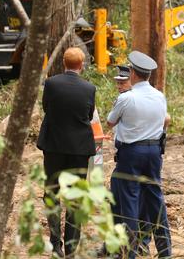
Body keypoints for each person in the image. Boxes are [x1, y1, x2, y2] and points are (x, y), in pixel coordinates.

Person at [107, 51, 172, 259]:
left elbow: (110, 121)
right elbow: (164, 120)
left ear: (133, 73)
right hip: (154, 152)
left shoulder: (127, 98)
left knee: (129, 200)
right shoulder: (160, 96)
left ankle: (129, 252)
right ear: (149, 76)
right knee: (155, 199)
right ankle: (165, 251)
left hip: (131, 153)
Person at [37, 47, 97, 258]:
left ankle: (55, 245)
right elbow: (88, 115)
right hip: (79, 149)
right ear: (81, 65)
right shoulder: (89, 88)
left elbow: (46, 107)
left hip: (53, 147)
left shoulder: (51, 84)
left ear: (64, 63)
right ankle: (71, 247)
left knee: (52, 194)